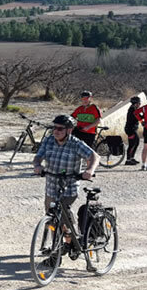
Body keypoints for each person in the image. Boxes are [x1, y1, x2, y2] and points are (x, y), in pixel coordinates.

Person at [33, 115, 99, 271]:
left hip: (69, 187)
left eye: (60, 128)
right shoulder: (49, 140)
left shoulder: (76, 144)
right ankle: (63, 247)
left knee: (61, 217)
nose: (56, 131)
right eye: (54, 127)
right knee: (53, 220)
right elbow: (38, 156)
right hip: (51, 186)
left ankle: (64, 248)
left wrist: (89, 170)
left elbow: (94, 156)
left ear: (69, 130)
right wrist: (37, 165)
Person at [124, 96, 142, 165]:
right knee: (132, 144)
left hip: (132, 129)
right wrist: (144, 115)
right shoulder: (132, 110)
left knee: (136, 142)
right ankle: (128, 160)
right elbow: (138, 117)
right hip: (130, 130)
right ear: (135, 103)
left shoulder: (134, 109)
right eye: (139, 103)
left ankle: (132, 158)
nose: (139, 104)